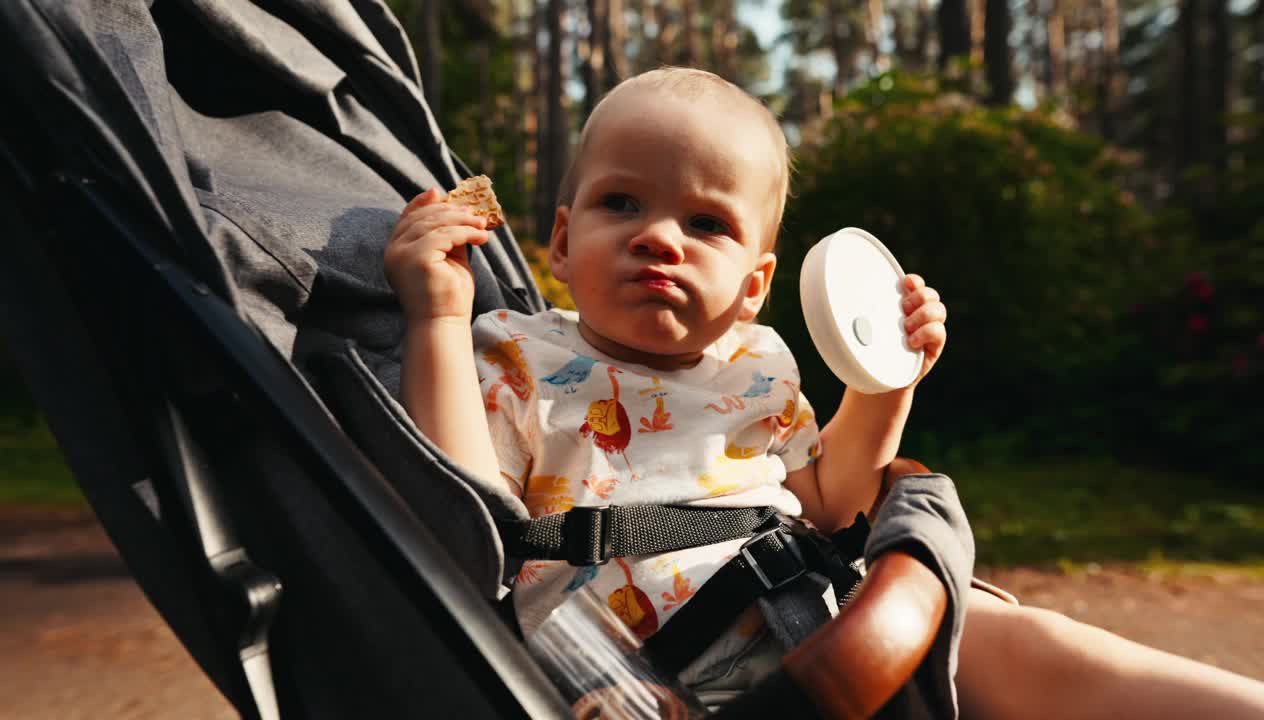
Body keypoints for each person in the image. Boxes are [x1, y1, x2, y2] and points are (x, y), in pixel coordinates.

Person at [384, 67, 1264, 718]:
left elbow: (832, 497)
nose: (660, 238)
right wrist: (435, 315)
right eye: (623, 204)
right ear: (564, 243)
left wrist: (884, 383)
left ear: (755, 284)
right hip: (636, 675)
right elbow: (461, 514)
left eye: (706, 224)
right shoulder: (511, 355)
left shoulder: (757, 366)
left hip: (819, 616)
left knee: (1023, 644)